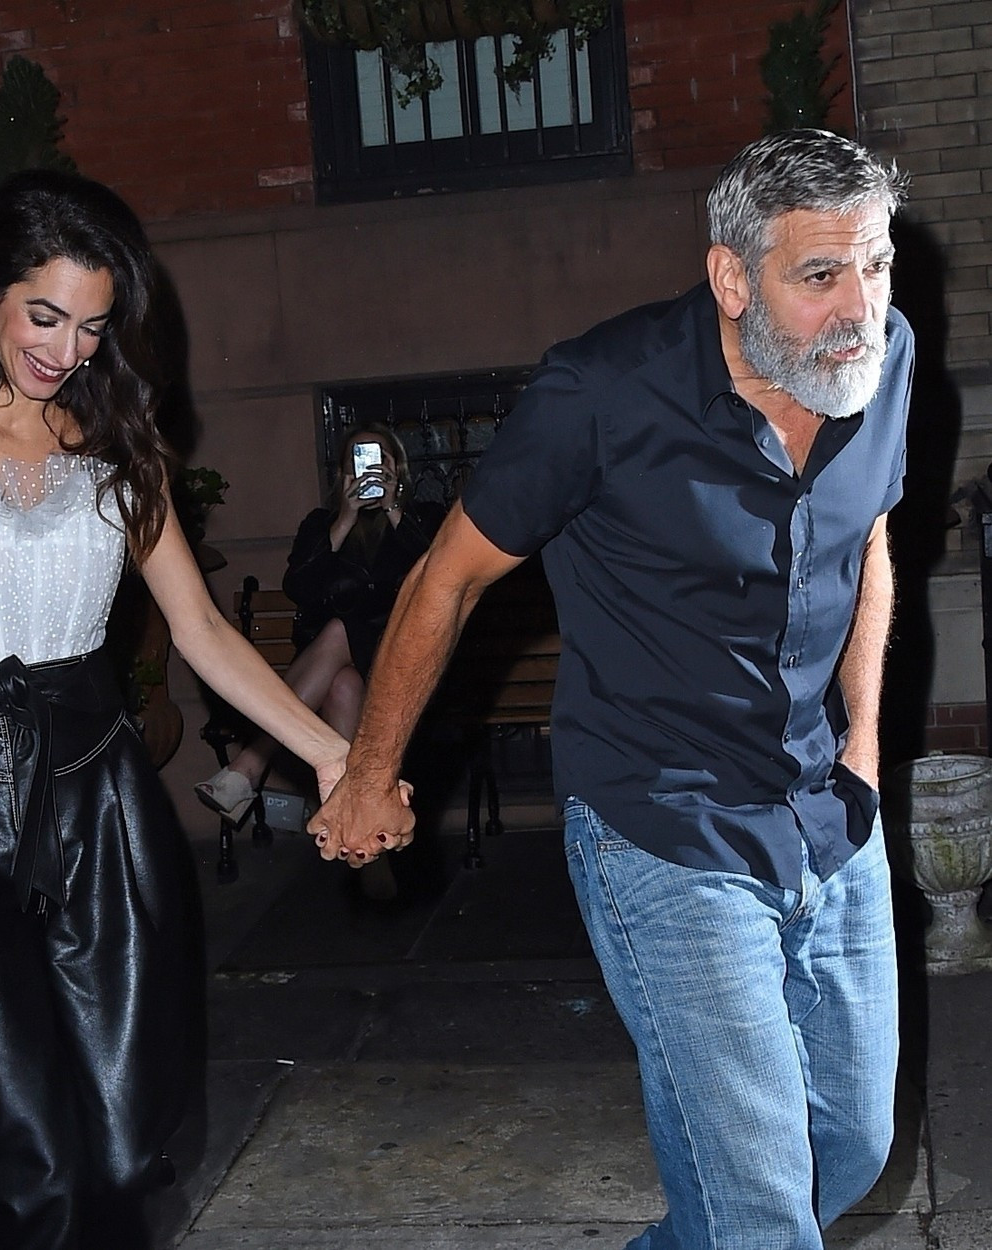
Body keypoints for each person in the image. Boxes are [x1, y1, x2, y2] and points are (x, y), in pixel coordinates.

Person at [310, 129, 913, 1250]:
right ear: (732, 277)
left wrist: (865, 738)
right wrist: (370, 771)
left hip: (827, 806)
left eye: (875, 264)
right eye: (821, 274)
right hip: (663, 821)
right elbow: (445, 578)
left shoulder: (880, 360)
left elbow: (869, 533)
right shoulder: (602, 392)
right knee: (760, 1214)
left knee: (850, 1149)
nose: (859, 306)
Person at [0, 169, 351, 1250]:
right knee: (23, 1142)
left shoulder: (118, 445)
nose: (68, 349)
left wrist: (332, 753)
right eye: (44, 316)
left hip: (100, 792)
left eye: (93, 327)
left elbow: (201, 629)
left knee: (126, 1131)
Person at [196, 424, 443, 826]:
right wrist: (343, 522)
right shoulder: (321, 525)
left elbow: (437, 579)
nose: (368, 470)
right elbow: (299, 588)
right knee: (342, 684)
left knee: (339, 631)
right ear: (343, 473)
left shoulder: (423, 518)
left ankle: (252, 761)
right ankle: (359, 833)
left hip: (398, 661)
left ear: (396, 467)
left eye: (379, 459)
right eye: (358, 462)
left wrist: (394, 510)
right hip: (330, 670)